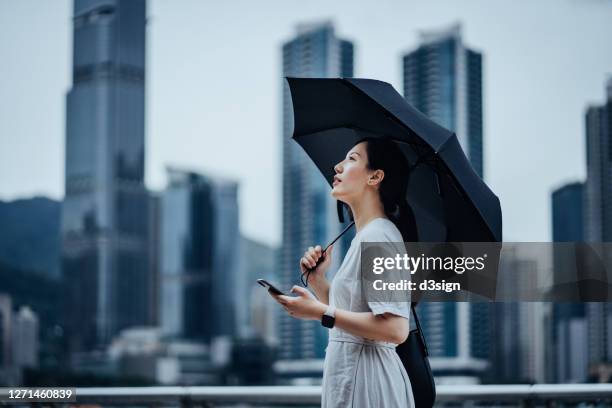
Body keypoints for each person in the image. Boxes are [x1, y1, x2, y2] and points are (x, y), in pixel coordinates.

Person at [272, 137, 416, 407]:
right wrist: (318, 281)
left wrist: (318, 312)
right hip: (355, 376)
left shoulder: (379, 237)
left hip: (368, 383)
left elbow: (396, 328)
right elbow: (353, 313)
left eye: (352, 159)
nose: (337, 167)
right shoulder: (366, 237)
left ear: (375, 177)